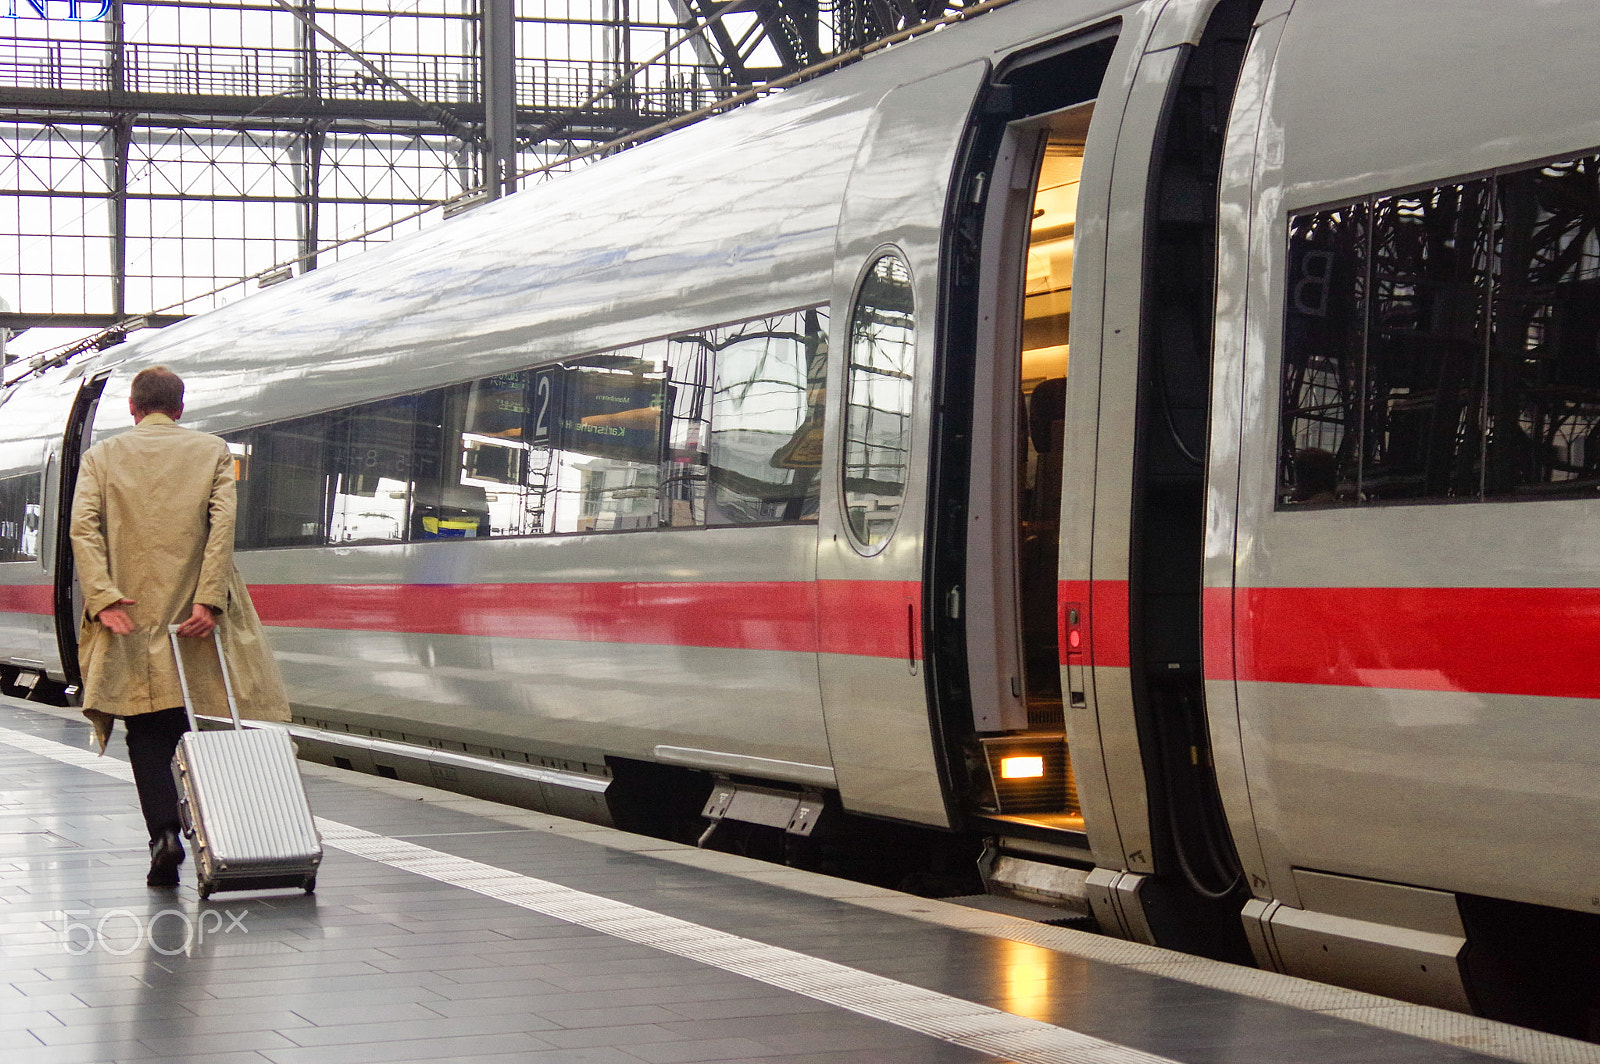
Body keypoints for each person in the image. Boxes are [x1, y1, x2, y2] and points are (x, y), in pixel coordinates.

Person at [70, 365, 290, 888]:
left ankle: (163, 835)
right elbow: (222, 530)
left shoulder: (101, 457)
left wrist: (102, 598)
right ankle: (221, 840)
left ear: (132, 407)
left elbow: (84, 530)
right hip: (196, 624)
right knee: (205, 725)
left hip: (130, 620)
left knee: (145, 731)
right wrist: (209, 600)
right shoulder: (213, 452)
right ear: (181, 408)